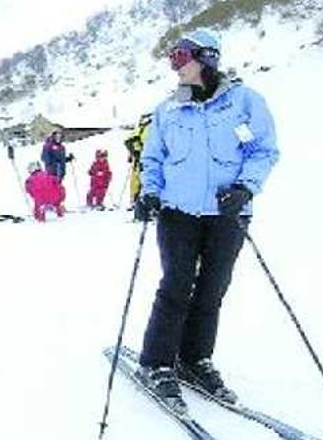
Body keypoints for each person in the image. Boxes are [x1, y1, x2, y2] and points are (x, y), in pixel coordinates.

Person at [133, 28, 279, 413]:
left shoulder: (245, 103)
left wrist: (246, 188)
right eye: (173, 59)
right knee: (176, 285)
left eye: (181, 58)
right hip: (178, 212)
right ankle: (158, 363)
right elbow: (152, 159)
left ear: (206, 57)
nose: (175, 66)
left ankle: (195, 359)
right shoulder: (169, 109)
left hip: (227, 214)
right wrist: (149, 191)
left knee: (213, 289)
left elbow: (264, 151)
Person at [124, 113, 152, 215]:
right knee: (142, 183)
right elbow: (130, 141)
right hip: (144, 159)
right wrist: (135, 152)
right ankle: (140, 209)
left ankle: (139, 206)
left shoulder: (144, 128)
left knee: (140, 182)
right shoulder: (146, 128)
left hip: (144, 159)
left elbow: (129, 141)